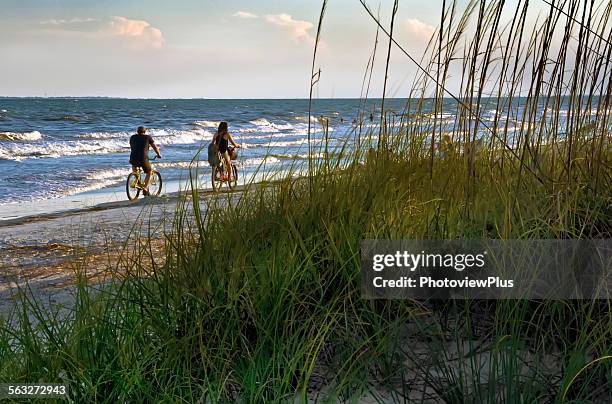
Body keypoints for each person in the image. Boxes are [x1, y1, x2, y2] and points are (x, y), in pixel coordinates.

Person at [129, 126, 161, 196]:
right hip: (143, 158)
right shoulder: (148, 137)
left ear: (137, 131)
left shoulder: (132, 137)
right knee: (149, 172)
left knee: (135, 168)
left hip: (133, 157)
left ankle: (137, 180)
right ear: (145, 131)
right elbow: (154, 147)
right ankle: (145, 188)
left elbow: (132, 146)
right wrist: (158, 154)